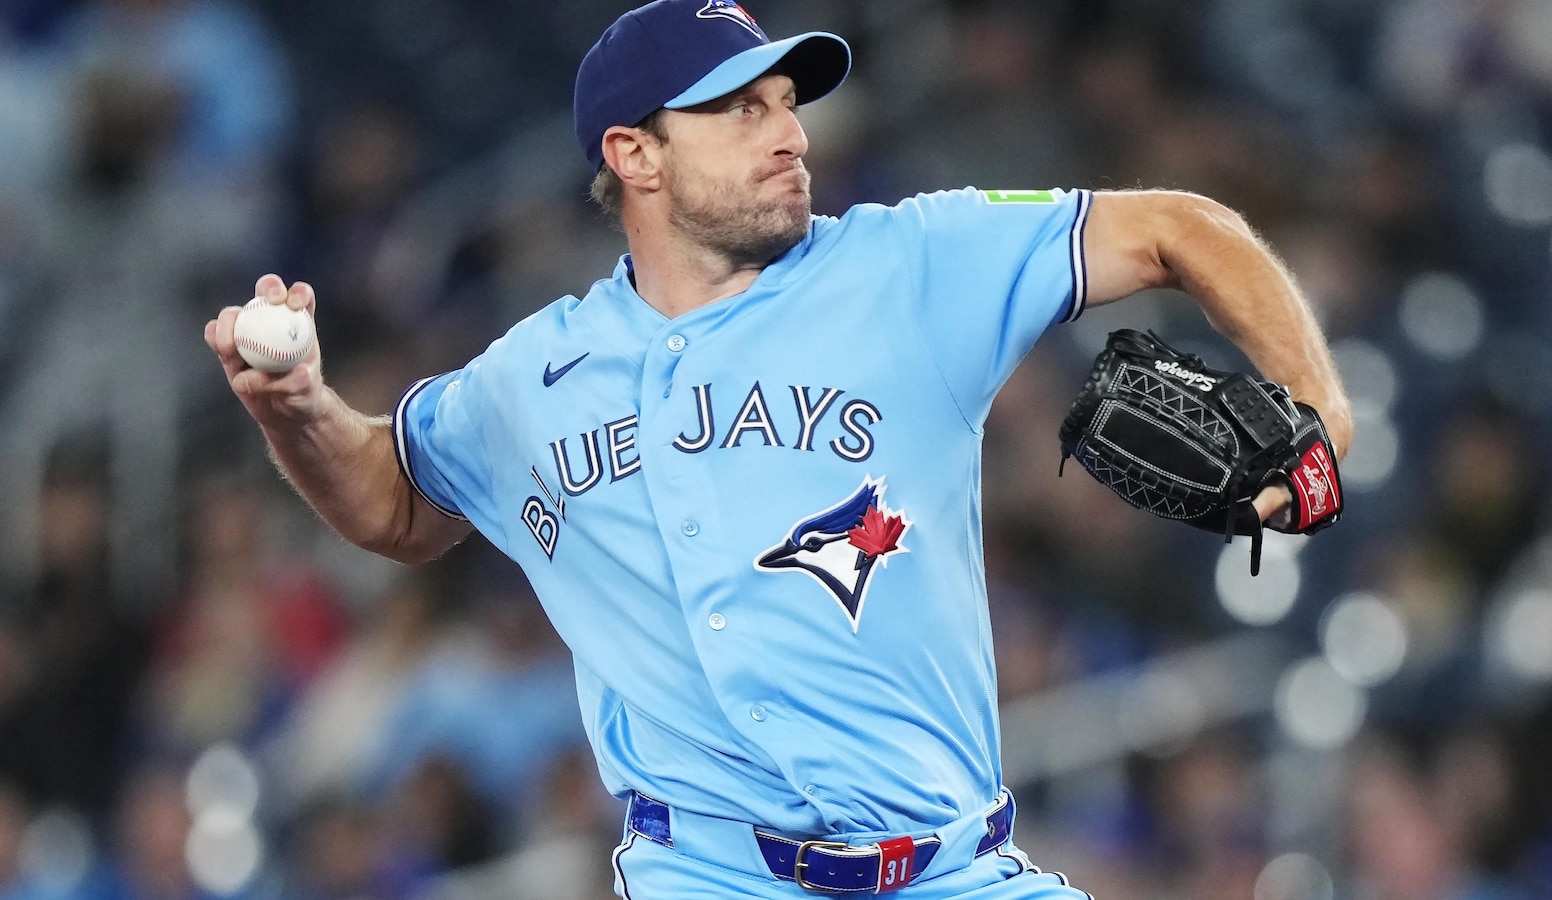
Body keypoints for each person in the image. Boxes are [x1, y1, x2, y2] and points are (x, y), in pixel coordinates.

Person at [204, 1, 1354, 896]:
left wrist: (1320, 413)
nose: (790, 133)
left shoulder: (909, 264)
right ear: (636, 154)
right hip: (707, 875)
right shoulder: (527, 379)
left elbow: (1177, 228)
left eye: (786, 103)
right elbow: (395, 505)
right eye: (738, 109)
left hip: (948, 871)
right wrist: (297, 407)